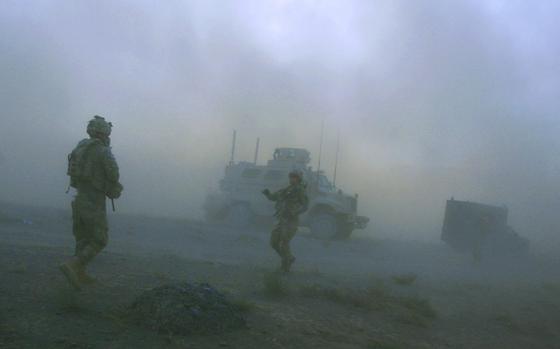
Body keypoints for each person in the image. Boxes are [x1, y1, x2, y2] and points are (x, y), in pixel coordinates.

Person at [60, 115, 123, 290]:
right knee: (100, 239)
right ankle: (74, 265)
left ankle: (79, 272)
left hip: (79, 199)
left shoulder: (80, 148)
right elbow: (113, 174)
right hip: (94, 201)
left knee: (83, 237)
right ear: (104, 132)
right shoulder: (103, 151)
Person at [262, 170, 309, 272]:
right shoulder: (286, 189)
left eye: (294, 177)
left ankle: (285, 265)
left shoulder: (300, 190)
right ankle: (289, 258)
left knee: (284, 242)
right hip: (281, 220)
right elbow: (274, 197)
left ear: (298, 179)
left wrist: (295, 212)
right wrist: (267, 194)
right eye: (291, 177)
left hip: (291, 221)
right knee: (273, 243)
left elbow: (305, 206)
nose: (292, 179)